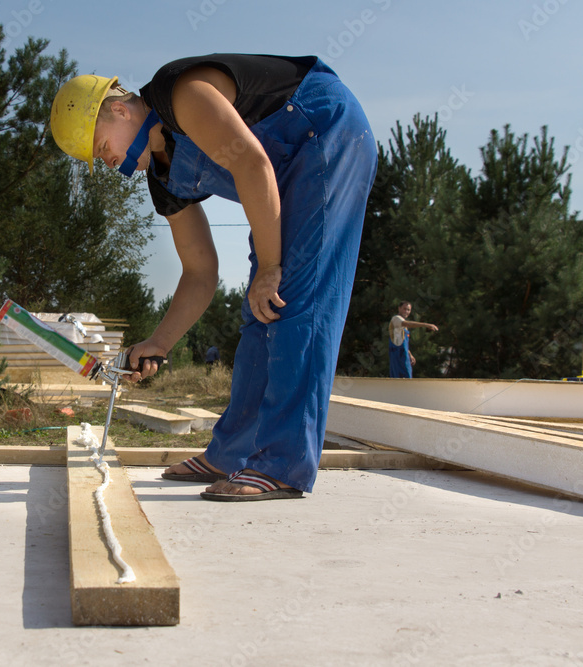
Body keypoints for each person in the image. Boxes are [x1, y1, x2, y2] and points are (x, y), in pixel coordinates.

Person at [50, 54, 377, 501]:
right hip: (281, 172)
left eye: (100, 147)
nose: (107, 163)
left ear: (120, 111)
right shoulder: (164, 181)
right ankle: (231, 453)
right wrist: (159, 343)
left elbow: (252, 166)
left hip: (326, 131)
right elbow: (201, 272)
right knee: (259, 311)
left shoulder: (182, 95)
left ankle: (283, 465)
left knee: (292, 299)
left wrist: (268, 268)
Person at [388, 301, 439, 378]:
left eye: (408, 310)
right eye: (404, 309)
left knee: (407, 377)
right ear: (399, 308)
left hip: (403, 354)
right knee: (399, 378)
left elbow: (400, 341)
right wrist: (426, 325)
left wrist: (410, 354)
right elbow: (408, 323)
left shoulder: (403, 326)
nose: (406, 311)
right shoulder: (396, 319)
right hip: (397, 355)